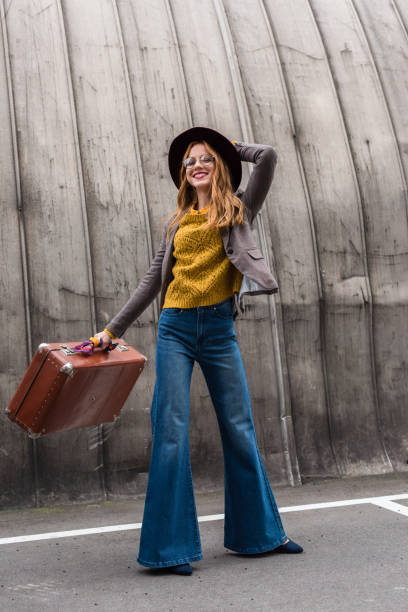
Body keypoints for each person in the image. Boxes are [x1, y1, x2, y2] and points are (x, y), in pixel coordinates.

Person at [94, 126, 303, 576]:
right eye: (190, 161)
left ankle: (260, 536)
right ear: (184, 175)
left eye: (206, 158)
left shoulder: (240, 208)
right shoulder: (177, 224)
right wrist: (112, 330)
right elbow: (152, 282)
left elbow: (266, 155)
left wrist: (226, 146)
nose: (197, 165)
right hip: (176, 328)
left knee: (239, 427)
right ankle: (169, 551)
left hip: (218, 330)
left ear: (220, 165)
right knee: (169, 430)